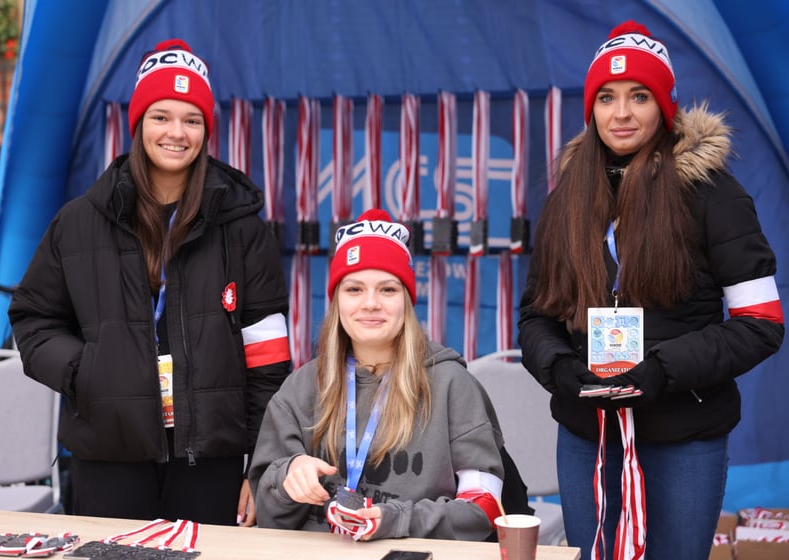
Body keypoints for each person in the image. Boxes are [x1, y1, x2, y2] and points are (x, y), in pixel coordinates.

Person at [517, 20, 784, 560]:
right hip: (588, 434)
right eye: (607, 97)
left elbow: (761, 322)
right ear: (591, 109)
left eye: (639, 96)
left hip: (684, 435)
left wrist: (663, 370)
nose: (621, 113)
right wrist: (559, 368)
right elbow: (536, 316)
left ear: (665, 105)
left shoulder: (713, 194)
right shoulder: (569, 197)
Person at [8, 39, 291, 526]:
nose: (176, 133)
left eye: (192, 120)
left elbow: (267, 355)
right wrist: (86, 371)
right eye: (161, 116)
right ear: (138, 123)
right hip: (108, 453)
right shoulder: (78, 222)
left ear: (206, 130)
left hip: (211, 461)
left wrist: (261, 464)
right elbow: (33, 319)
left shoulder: (242, 227)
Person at [249, 209, 506, 541]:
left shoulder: (452, 385)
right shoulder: (301, 387)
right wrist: (288, 478)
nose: (370, 303)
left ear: (407, 301)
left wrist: (399, 521)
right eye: (354, 289)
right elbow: (268, 515)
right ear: (336, 301)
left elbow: (484, 507)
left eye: (387, 289)